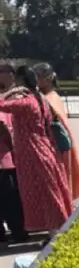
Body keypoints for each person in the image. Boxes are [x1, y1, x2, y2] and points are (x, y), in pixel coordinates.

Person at [0, 66, 72, 237]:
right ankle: (54, 231)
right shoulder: (39, 99)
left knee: (47, 193)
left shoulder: (25, 103)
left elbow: (1, 104)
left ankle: (55, 233)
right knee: (48, 191)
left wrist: (11, 92)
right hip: (43, 149)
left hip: (33, 152)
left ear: (22, 82)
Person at [34, 63, 79, 203]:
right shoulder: (49, 96)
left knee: (60, 181)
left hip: (58, 146)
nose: (36, 80)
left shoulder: (48, 99)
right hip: (56, 145)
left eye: (38, 77)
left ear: (48, 79)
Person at [0, 64, 25, 244]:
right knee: (9, 197)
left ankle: (17, 230)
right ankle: (14, 231)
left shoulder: (19, 96)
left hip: (11, 155)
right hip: (6, 156)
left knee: (12, 196)